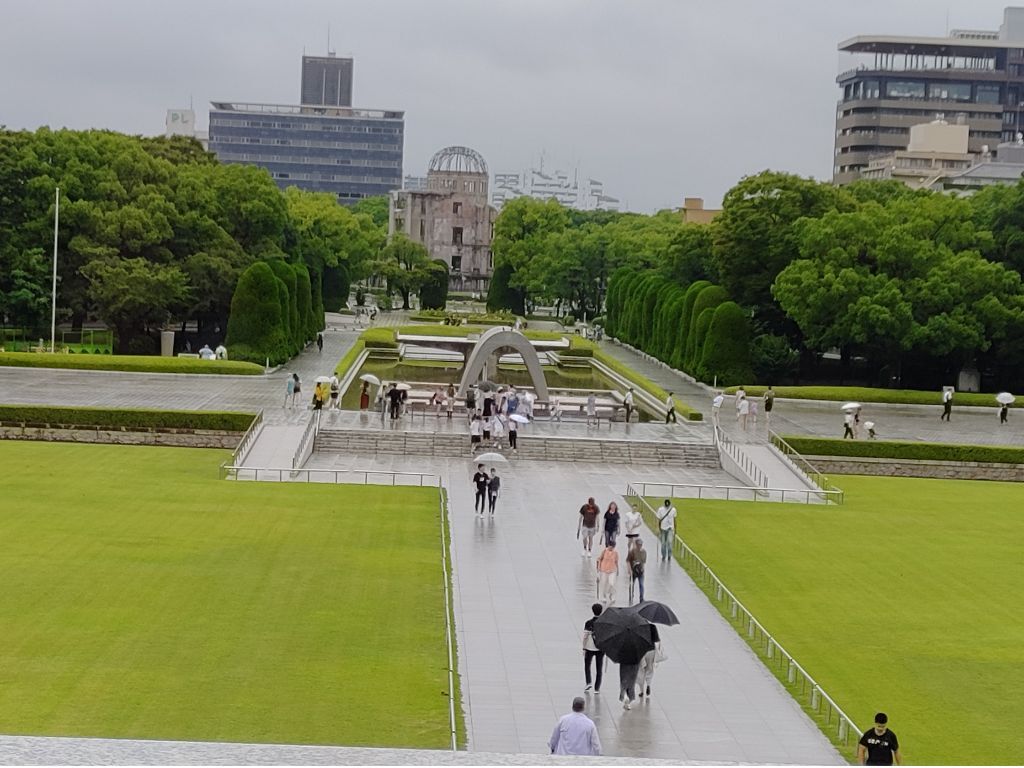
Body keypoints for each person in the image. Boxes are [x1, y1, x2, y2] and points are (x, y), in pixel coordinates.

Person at [582, 603, 604, 693]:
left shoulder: (588, 623)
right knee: (599, 668)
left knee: (587, 666)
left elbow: (585, 636)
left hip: (589, 647)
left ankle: (588, 682)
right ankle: (597, 688)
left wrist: (583, 647)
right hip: (600, 648)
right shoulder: (604, 623)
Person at [637, 623, 660, 699]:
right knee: (650, 669)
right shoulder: (652, 626)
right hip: (651, 650)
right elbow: (656, 639)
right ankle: (648, 684)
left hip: (641, 651)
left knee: (641, 670)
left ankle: (641, 691)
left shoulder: (637, 627)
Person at [627, 538, 647, 604]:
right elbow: (628, 561)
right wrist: (629, 570)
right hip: (633, 570)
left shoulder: (644, 552)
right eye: (638, 544)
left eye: (641, 545)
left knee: (641, 584)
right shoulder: (632, 551)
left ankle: (641, 598)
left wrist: (643, 569)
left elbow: (643, 562)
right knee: (632, 584)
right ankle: (631, 595)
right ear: (636, 544)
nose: (639, 546)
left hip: (640, 571)